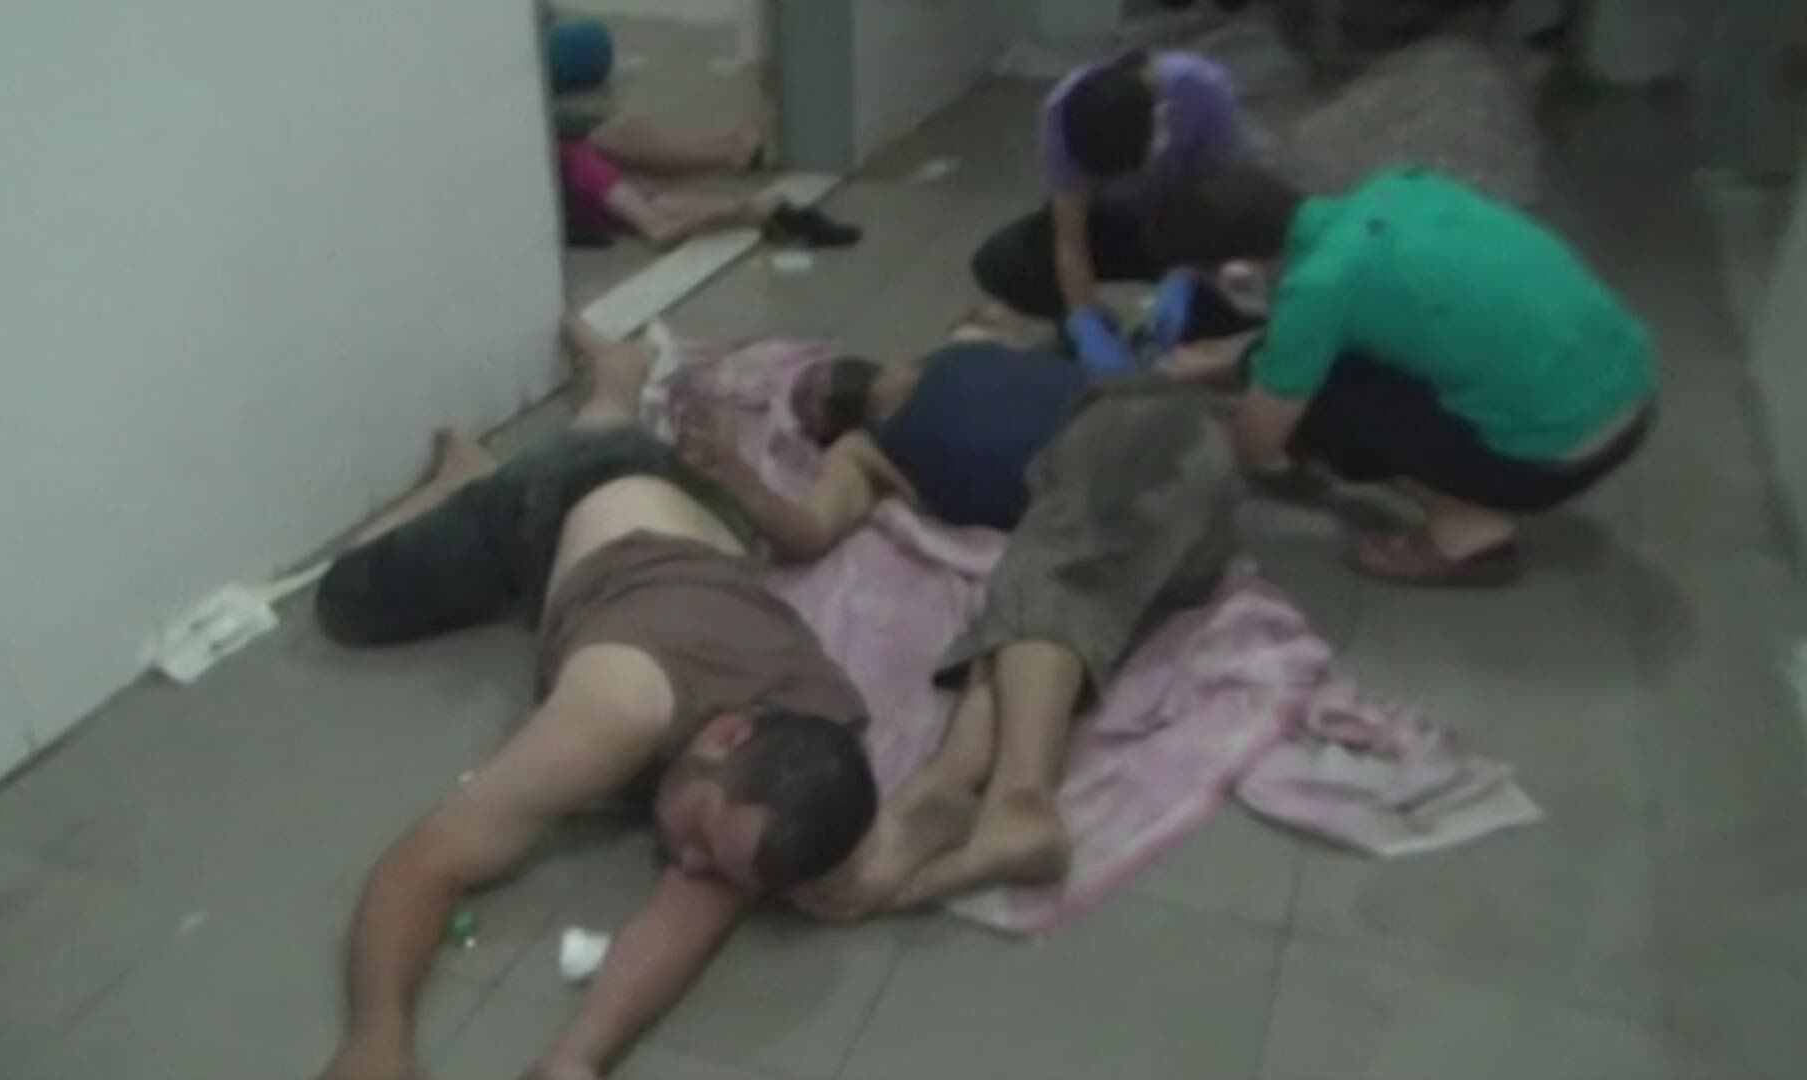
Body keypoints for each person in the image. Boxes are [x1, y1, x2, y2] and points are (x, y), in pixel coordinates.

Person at [314, 318, 879, 1080]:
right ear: (727, 735)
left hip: (698, 512)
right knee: (345, 601)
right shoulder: (621, 710)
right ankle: (468, 480)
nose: (687, 861)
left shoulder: (815, 755)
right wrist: (376, 1039)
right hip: (565, 500)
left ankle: (616, 382)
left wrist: (574, 1063)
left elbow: (698, 905)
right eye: (699, 838)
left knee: (615, 440)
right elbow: (427, 861)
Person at [678, 331, 1240, 914]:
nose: (812, 391)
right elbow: (808, 530)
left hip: (1145, 425)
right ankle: (941, 790)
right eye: (803, 403)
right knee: (1009, 624)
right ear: (821, 432)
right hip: (1157, 525)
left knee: (1044, 576)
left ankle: (1020, 800)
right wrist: (736, 476)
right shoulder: (864, 454)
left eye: (812, 379)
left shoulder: (955, 350)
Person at [1153, 162, 1656, 586]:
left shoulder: (1318, 289)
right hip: (1633, 399)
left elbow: (1258, 448)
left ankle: (1468, 534)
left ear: (1236, 272)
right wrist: (1241, 358)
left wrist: (1235, 419)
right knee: (1337, 360)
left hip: (1557, 460)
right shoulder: (1399, 187)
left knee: (1327, 402)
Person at [969, 48, 1247, 372]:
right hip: (1110, 223)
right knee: (1006, 262)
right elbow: (1070, 237)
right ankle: (1089, 335)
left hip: (1187, 219)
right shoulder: (1065, 113)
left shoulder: (1203, 89)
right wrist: (1085, 318)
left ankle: (1177, 331)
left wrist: (1187, 272)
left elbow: (1225, 198)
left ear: (1160, 121)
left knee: (1253, 283)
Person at [555, 108, 860, 251]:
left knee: (648, 194)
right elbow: (658, 227)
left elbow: (658, 211)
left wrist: (748, 211)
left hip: (574, 180)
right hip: (572, 175)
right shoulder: (587, 169)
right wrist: (742, 211)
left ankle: (731, 155)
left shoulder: (591, 174)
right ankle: (731, 155)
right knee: (642, 189)